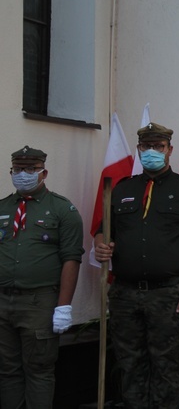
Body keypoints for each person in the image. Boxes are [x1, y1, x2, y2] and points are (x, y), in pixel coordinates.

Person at [95, 122, 179, 409]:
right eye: (146, 147)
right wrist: (101, 244)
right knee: (130, 364)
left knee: (166, 366)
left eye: (158, 147)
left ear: (169, 150)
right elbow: (103, 230)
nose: (151, 152)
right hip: (125, 294)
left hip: (168, 294)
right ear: (138, 149)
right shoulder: (123, 188)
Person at [0, 145, 84, 408]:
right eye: (18, 169)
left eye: (31, 169)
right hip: (3, 302)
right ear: (11, 171)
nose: (23, 174)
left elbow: (71, 258)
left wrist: (64, 306)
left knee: (38, 370)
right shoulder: (2, 207)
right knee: (7, 370)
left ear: (43, 173)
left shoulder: (62, 210)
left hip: (40, 303)